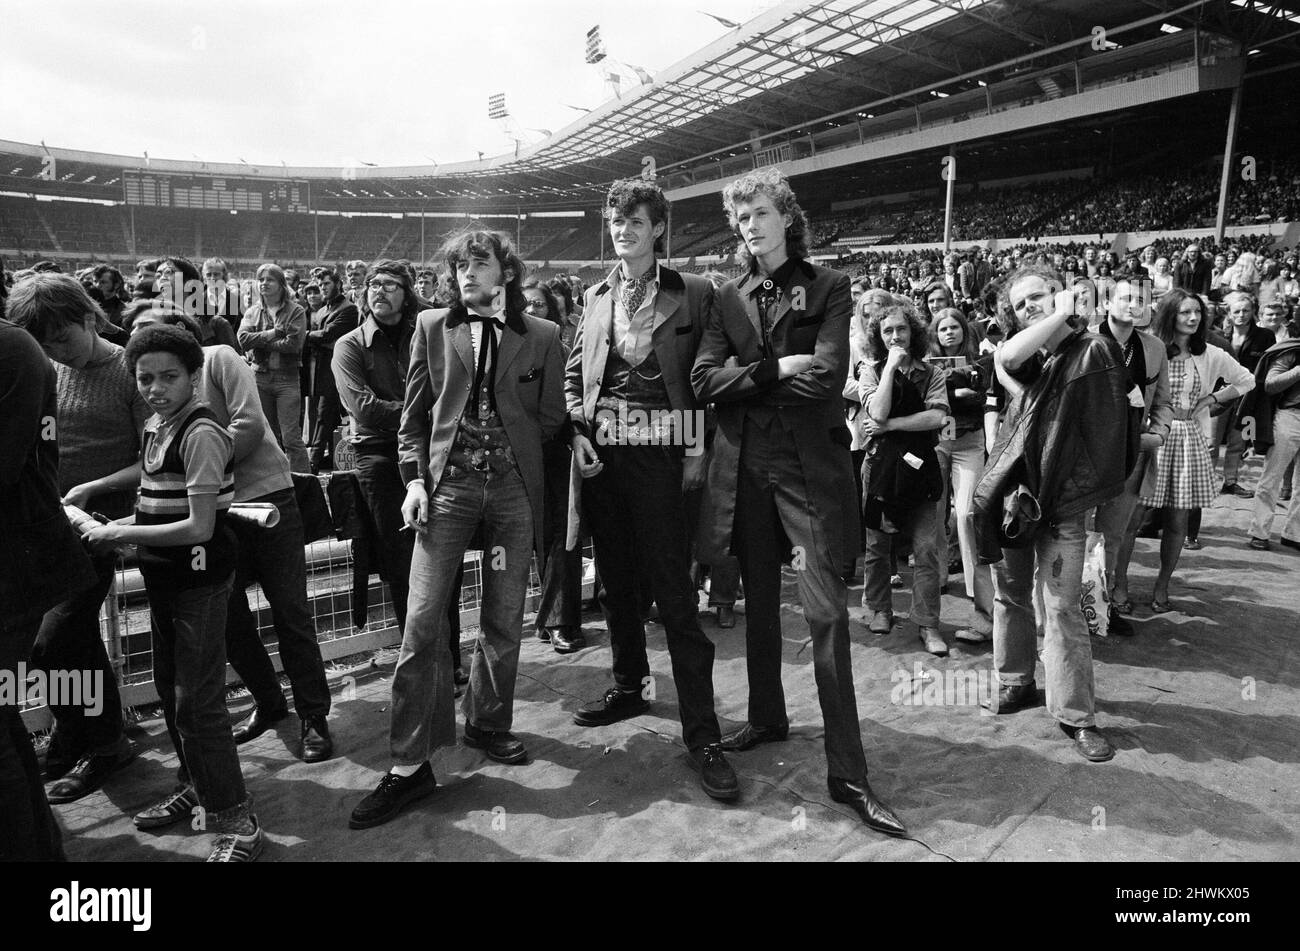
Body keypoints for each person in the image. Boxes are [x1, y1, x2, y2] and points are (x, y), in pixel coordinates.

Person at [692, 168, 905, 836]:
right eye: (740, 218)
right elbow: (703, 379)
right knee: (757, 599)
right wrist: (775, 368)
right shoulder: (727, 295)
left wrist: (750, 381)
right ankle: (766, 714)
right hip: (743, 472)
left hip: (807, 474)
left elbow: (829, 377)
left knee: (826, 616)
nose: (750, 226)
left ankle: (848, 774)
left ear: (786, 215)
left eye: (759, 212)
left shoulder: (829, 286)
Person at [349, 229, 565, 831]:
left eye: (480, 263)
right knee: (421, 624)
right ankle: (408, 765)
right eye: (459, 265)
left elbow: (550, 416)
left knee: (503, 617)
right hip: (447, 489)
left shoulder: (543, 335)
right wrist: (416, 481)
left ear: (506, 271)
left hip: (514, 493)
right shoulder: (431, 328)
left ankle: (489, 722)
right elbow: (413, 419)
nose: (467, 273)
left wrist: (514, 447)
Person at [564, 178, 738, 802]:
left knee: (674, 594)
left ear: (659, 228)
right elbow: (572, 375)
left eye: (636, 221)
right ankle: (630, 685)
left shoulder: (696, 293)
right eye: (615, 220)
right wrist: (578, 429)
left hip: (666, 459)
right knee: (616, 582)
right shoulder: (593, 296)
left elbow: (707, 377)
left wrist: (694, 445)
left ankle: (704, 734)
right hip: (605, 459)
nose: (623, 230)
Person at [81, 325, 266, 861]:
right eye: (145, 378)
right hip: (166, 580)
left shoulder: (202, 430)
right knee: (173, 694)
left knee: (199, 705)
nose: (155, 388)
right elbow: (153, 486)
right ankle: (199, 788)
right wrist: (102, 498)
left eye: (168, 377)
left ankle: (239, 819)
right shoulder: (161, 424)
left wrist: (118, 533)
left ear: (193, 377)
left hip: (199, 583)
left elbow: (199, 527)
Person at [128, 301, 334, 763]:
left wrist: (198, 466)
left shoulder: (219, 357)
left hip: (268, 499)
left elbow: (251, 424)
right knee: (230, 620)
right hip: (219, 512)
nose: (145, 342)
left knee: (291, 614)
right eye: (137, 336)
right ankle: (269, 702)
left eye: (154, 331)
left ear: (182, 333)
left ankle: (314, 717)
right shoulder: (160, 407)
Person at [974, 263, 1131, 762]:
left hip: (1063, 502)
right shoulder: (1028, 354)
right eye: (1020, 306)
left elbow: (1109, 426)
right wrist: (1055, 315)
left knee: (1063, 609)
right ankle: (1015, 681)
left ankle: (1075, 715)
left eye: (1038, 297)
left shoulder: (1094, 349)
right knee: (1011, 593)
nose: (1030, 308)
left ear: (1060, 294)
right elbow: (1009, 352)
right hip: (1014, 497)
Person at [7, 275, 142, 804]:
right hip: (47, 522)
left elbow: (154, 455)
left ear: (90, 318)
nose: (55, 352)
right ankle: (82, 735)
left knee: (56, 638)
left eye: (62, 338)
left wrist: (97, 488)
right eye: (44, 344)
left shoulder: (131, 368)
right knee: (63, 639)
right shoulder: (43, 368)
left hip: (99, 526)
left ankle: (103, 743)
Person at [333, 261, 466, 682]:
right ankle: (421, 665)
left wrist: (425, 419)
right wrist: (419, 414)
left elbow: (450, 387)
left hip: (432, 451)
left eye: (391, 285)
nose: (380, 291)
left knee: (445, 558)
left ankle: (451, 659)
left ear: (407, 293)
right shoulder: (350, 345)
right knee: (399, 562)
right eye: (374, 284)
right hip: (378, 456)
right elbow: (363, 408)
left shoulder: (426, 333)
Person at [0, 307, 98, 861]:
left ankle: (101, 741)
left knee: (60, 648)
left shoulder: (12, 349)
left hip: (27, 556)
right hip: (36, 547)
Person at [1127, 291, 1254, 604]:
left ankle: (1161, 586)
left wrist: (1211, 400)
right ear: (1171, 315)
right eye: (1185, 312)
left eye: (1197, 313)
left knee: (1177, 520)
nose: (1194, 319)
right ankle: (1117, 585)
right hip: (1152, 437)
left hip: (1187, 439)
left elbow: (1246, 380)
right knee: (1132, 517)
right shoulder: (1150, 347)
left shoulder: (1211, 353)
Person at [859, 298, 949, 655]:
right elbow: (875, 409)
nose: (895, 336)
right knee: (878, 546)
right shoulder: (870, 370)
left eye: (901, 329)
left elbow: (936, 419)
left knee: (926, 548)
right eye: (887, 331)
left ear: (913, 332)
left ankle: (927, 624)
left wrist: (891, 425)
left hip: (921, 468)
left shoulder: (933, 374)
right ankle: (880, 609)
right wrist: (890, 369)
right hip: (880, 468)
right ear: (878, 337)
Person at [1096, 278, 1172, 636]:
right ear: (1107, 302)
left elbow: (1163, 402)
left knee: (1114, 534)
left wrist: (1159, 433)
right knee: (1077, 534)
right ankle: (1069, 608)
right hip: (1084, 455)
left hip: (1132, 452)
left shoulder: (1154, 348)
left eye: (1142, 299)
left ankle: (1102, 607)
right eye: (1126, 297)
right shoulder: (1086, 342)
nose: (1135, 304)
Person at [522, 278, 584, 653]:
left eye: (539, 305)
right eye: (525, 304)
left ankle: (559, 620)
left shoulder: (556, 345)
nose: (531, 311)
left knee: (562, 537)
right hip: (513, 454)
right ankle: (547, 617)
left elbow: (563, 403)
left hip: (553, 449)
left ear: (553, 312)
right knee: (534, 537)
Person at [929, 306, 997, 644]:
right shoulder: (927, 363)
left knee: (967, 515)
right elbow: (932, 400)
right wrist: (958, 392)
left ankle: (976, 587)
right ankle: (940, 576)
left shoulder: (983, 359)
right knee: (936, 513)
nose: (949, 333)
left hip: (970, 444)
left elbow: (983, 396)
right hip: (939, 442)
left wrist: (952, 393)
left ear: (964, 331)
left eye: (954, 327)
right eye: (943, 329)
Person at [238, 263, 312, 472]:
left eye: (269, 279)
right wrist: (272, 334)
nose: (264, 284)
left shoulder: (296, 310)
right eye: (261, 280)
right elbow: (242, 339)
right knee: (266, 436)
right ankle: (273, 479)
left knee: (291, 437)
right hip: (259, 378)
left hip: (286, 380)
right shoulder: (253, 311)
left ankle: (302, 482)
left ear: (281, 284)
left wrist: (259, 341)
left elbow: (294, 345)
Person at [1243, 325, 1300, 549]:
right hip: (1290, 417)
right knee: (1272, 478)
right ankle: (1260, 532)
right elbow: (1270, 385)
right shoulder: (1293, 350)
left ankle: (1294, 534)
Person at [1216, 292, 1275, 498]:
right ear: (1229, 314)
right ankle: (1204, 480)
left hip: (1248, 396)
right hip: (1220, 394)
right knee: (1211, 441)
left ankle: (1230, 481)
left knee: (1238, 441)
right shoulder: (1219, 336)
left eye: (1246, 311)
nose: (1241, 315)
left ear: (1253, 312)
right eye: (1237, 311)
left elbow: (1267, 368)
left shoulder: (1265, 336)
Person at [305, 265, 358, 472]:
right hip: (322, 369)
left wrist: (307, 335)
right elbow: (323, 337)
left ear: (338, 284)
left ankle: (314, 462)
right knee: (329, 416)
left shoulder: (348, 308)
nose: (323, 287)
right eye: (320, 284)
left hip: (339, 369)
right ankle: (328, 459)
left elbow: (329, 335)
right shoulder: (322, 310)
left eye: (326, 283)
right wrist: (315, 337)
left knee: (324, 415)